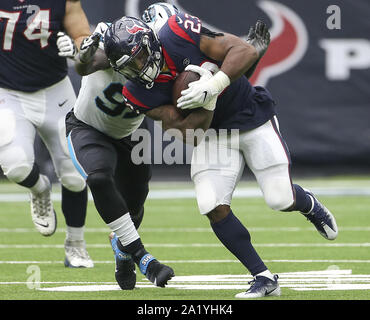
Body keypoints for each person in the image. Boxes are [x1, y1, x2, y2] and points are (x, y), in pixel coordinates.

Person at [103, 13, 338, 298]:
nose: (138, 70)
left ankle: (307, 203)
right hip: (213, 134)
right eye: (128, 68)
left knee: (280, 199)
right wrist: (208, 102)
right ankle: (262, 277)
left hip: (251, 117)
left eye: (138, 58)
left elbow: (245, 50)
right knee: (211, 204)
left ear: (149, 42)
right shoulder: (136, 92)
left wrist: (215, 84)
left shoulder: (178, 33)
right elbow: (188, 132)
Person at [64, 2, 180, 289]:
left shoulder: (170, 55)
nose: (144, 63)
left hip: (129, 134)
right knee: (99, 177)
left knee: (136, 203)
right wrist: (83, 55)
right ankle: (143, 258)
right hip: (89, 128)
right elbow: (85, 63)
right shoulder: (115, 44)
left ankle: (122, 250)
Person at [0, 0, 93, 268]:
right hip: (9, 92)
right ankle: (39, 188)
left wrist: (76, 50)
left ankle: (76, 244)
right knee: (17, 167)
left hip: (55, 92)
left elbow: (83, 39)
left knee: (75, 173)